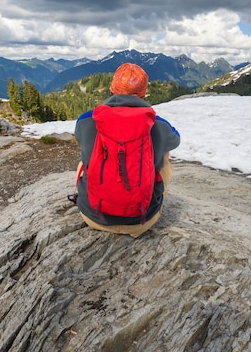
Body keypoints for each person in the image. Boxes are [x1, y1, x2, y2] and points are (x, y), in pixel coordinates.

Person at [73, 62, 180, 237]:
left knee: (86, 158)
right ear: (144, 93)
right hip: (142, 221)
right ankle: (148, 196)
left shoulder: (86, 120)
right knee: (164, 156)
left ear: (112, 89)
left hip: (92, 216)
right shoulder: (157, 124)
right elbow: (175, 140)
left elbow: (79, 138)